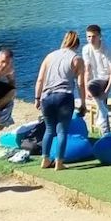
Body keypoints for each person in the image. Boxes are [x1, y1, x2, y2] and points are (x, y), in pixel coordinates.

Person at [34, 31, 86, 171]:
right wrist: (83, 103)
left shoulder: (49, 56)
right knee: (62, 131)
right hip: (64, 96)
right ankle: (59, 162)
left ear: (64, 41)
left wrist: (37, 98)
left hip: (46, 96)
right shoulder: (77, 59)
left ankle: (45, 159)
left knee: (49, 129)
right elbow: (81, 83)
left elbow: (40, 80)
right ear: (77, 44)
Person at [81, 24, 111, 134]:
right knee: (97, 96)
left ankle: (105, 132)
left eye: (93, 36)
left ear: (99, 36)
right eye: (88, 37)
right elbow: (87, 71)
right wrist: (86, 90)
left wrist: (107, 91)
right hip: (98, 78)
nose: (91, 39)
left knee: (101, 96)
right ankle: (106, 131)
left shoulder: (109, 48)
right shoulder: (86, 49)